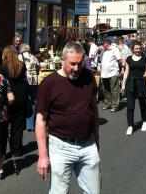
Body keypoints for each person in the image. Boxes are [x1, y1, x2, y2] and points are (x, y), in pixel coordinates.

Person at [35, 42, 100, 194]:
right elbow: (40, 120)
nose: (76, 68)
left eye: (80, 63)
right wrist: (43, 156)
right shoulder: (49, 84)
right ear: (62, 60)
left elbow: (94, 111)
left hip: (88, 145)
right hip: (60, 147)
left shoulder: (89, 77)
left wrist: (96, 139)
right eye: (72, 64)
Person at [0, 46, 28, 159]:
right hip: (21, 98)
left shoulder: (2, 68)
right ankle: (16, 150)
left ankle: (1, 152)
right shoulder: (21, 65)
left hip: (7, 99)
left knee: (3, 127)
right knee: (18, 125)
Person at [121, 40, 146, 135]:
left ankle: (145, 121)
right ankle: (130, 125)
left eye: (139, 48)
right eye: (136, 49)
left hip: (142, 83)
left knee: (142, 104)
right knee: (130, 105)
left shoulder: (144, 58)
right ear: (133, 49)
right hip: (131, 83)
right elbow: (126, 71)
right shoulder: (129, 59)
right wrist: (123, 84)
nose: (138, 50)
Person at [18, 44, 39, 132]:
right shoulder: (34, 57)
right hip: (34, 82)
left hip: (24, 82)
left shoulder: (19, 57)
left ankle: (22, 124)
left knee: (22, 102)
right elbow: (38, 68)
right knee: (32, 102)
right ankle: (31, 126)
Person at [99, 37, 122, 112]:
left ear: (107, 43)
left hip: (113, 73)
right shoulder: (104, 51)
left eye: (103, 43)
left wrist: (121, 70)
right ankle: (108, 103)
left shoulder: (114, 49)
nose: (102, 45)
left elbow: (120, 60)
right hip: (104, 73)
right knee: (106, 89)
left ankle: (115, 105)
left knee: (114, 89)